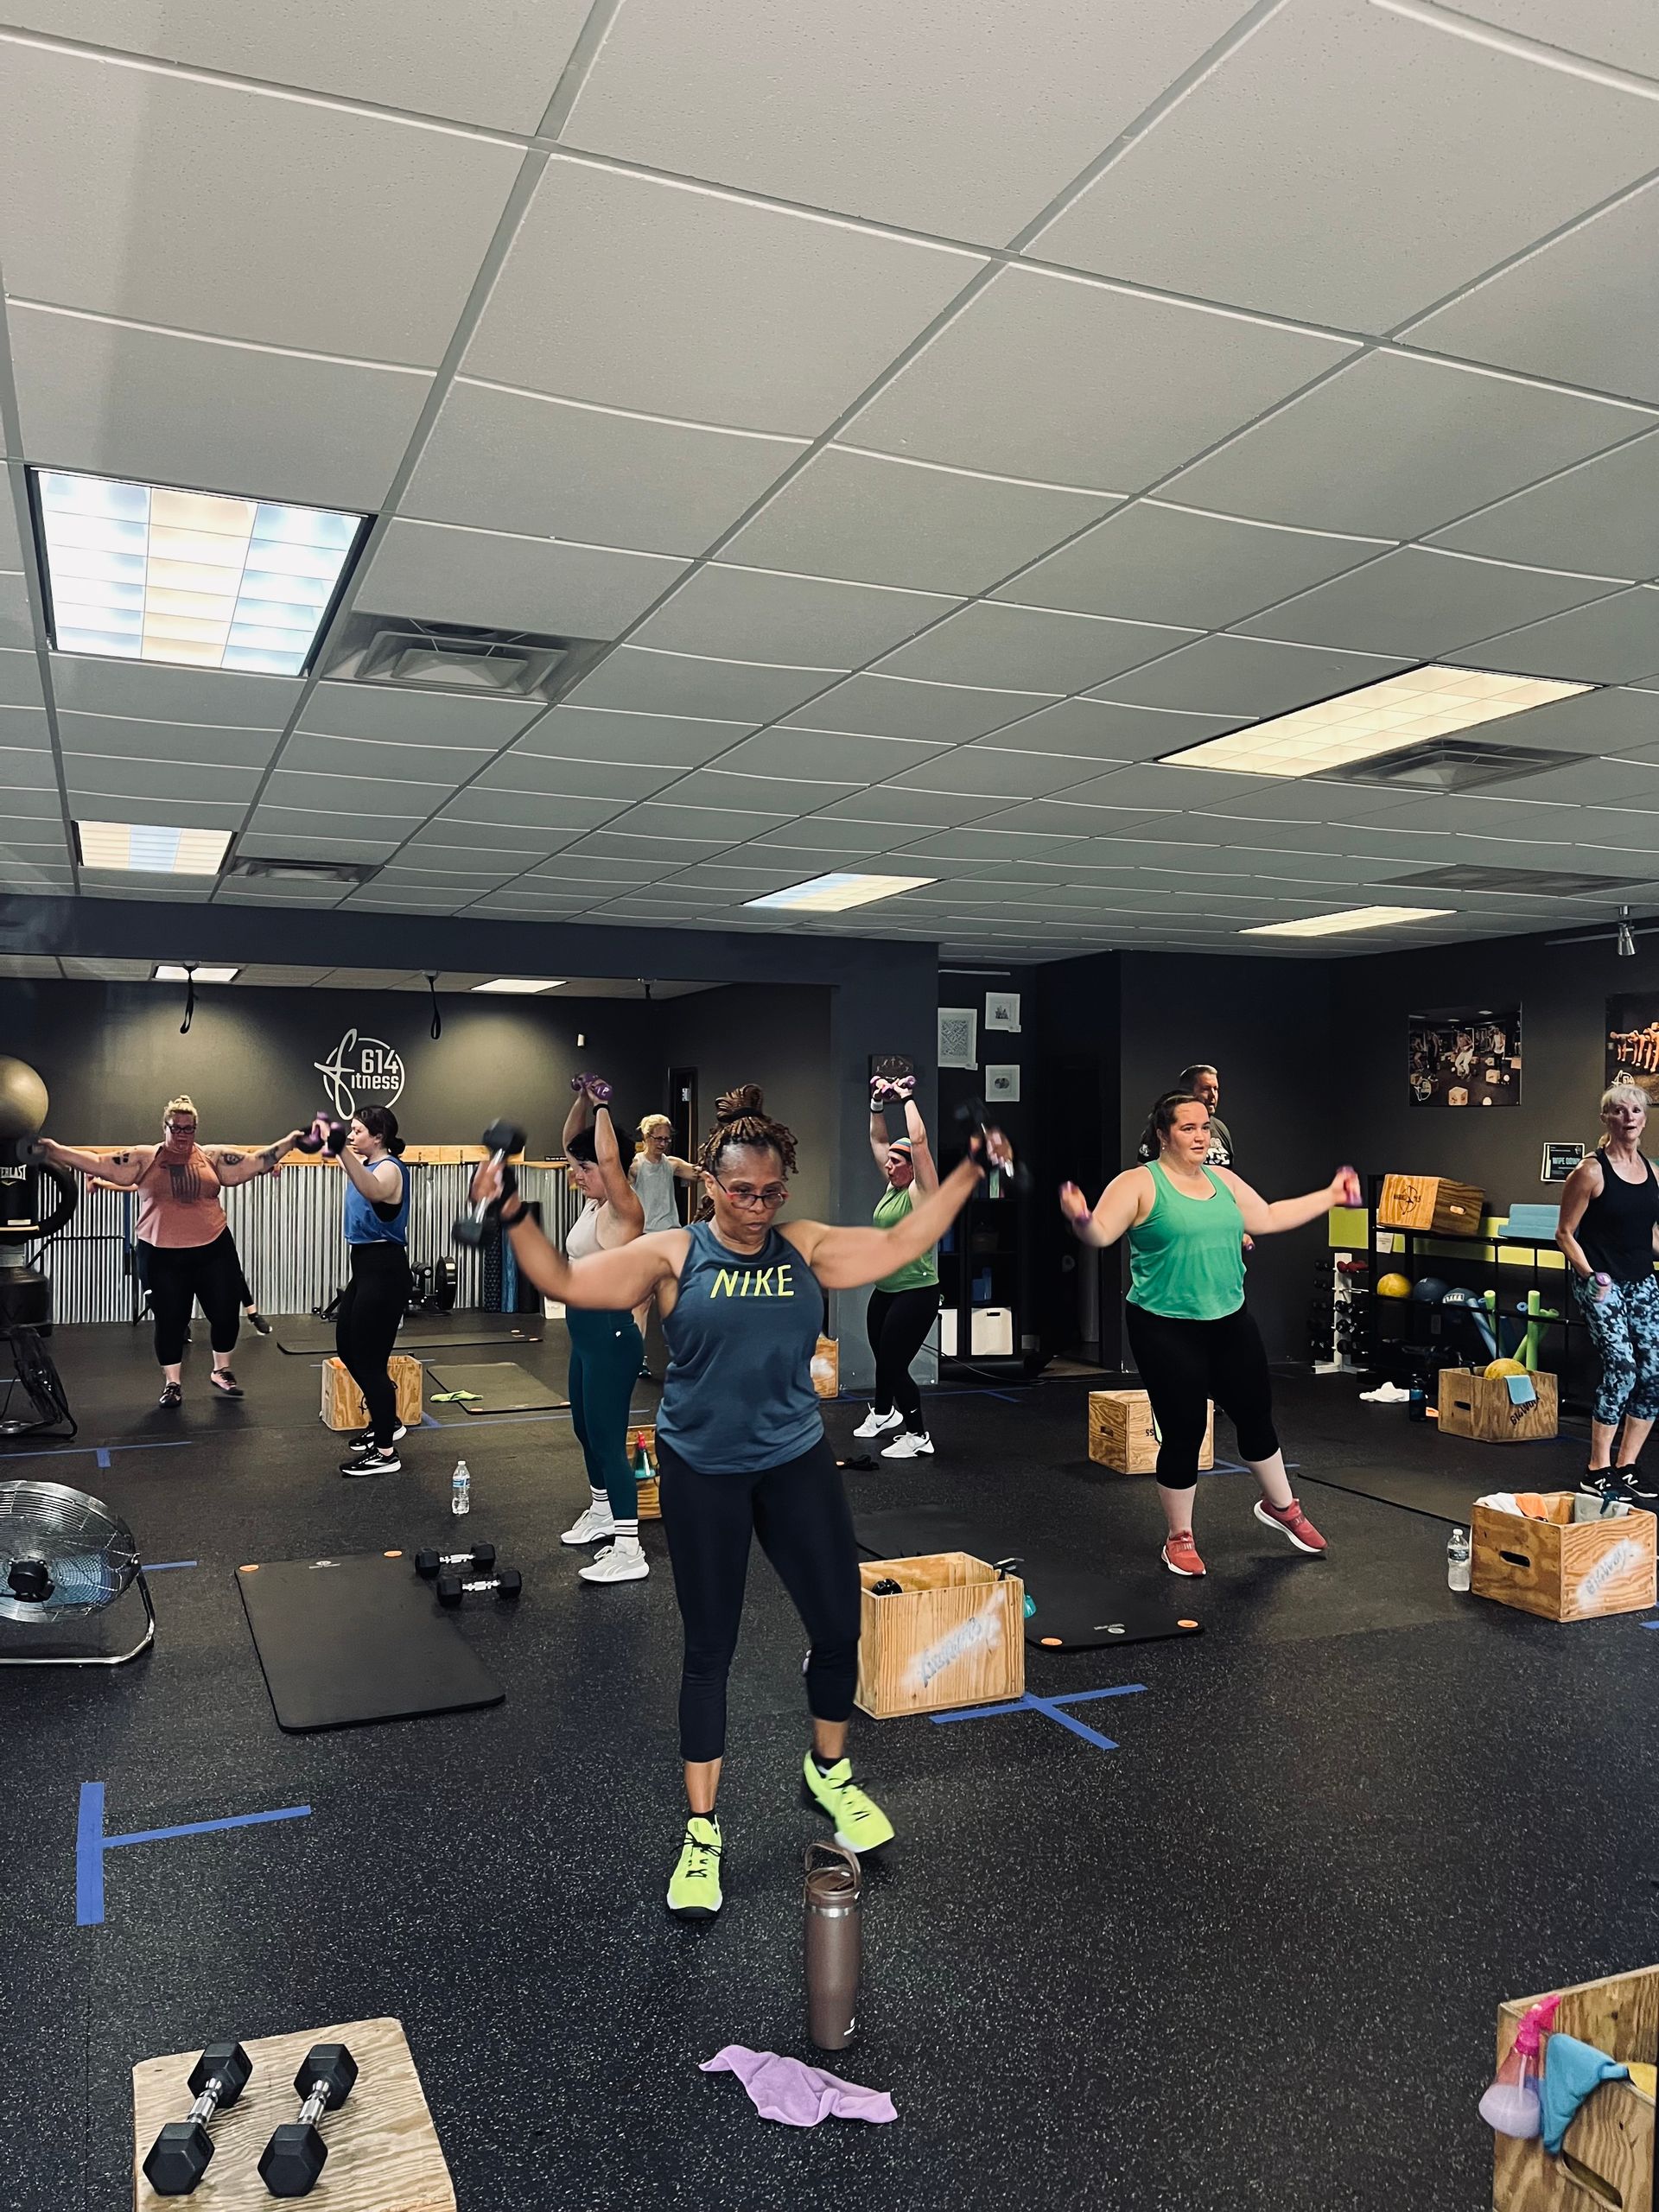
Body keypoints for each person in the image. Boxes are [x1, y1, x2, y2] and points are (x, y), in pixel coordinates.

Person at [467, 1083, 1007, 1918]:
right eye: (740, 1192)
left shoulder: (806, 1246)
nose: (756, 1208)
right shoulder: (672, 1256)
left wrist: (970, 1170)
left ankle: (829, 1773)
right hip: (703, 1471)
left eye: (770, 1192)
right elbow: (564, 1277)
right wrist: (508, 1209)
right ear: (710, 1186)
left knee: (838, 1627)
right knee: (708, 1653)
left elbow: (909, 1235)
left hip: (794, 1460)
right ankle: (702, 1831)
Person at [1062, 1092, 1359, 1577]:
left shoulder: (1222, 1180)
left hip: (1228, 1319)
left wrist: (1329, 1195)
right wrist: (1080, 1217)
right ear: (1163, 1135)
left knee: (1256, 1417)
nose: (1201, 1136)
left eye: (1205, 1127)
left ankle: (1281, 1507)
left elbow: (1267, 1217)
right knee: (1184, 1432)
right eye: (1188, 1128)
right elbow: (1100, 1234)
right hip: (1163, 1325)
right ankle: (1179, 1537)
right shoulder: (1139, 1184)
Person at [40, 1097, 306, 1406]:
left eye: (188, 1129)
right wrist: (54, 1150)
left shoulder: (211, 1156)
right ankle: (173, 1383)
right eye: (176, 1128)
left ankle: (222, 1371)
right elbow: (99, 1163)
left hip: (213, 1248)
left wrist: (292, 1141)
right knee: (170, 1321)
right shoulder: (145, 1157)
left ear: (195, 1129)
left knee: (225, 1315)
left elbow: (254, 1161)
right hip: (161, 1253)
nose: (182, 1134)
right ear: (165, 1127)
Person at [558, 1075, 649, 1582]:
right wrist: (579, 1102)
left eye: (584, 1168)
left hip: (612, 1338)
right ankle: (601, 1512)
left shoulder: (623, 1208)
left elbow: (609, 1161)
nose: (578, 1175)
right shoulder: (592, 1204)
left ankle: (630, 1548)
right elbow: (571, 1144)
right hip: (584, 1336)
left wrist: (602, 1106)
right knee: (584, 1430)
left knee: (610, 1441)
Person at [1555, 1083, 1659, 1507]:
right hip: (1603, 1285)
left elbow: (1651, 1236)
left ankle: (1626, 1466)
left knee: (1652, 1374)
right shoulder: (1591, 1171)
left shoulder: (1653, 1171)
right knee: (1623, 1369)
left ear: (1645, 1117)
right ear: (1607, 1119)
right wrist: (1593, 1277)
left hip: (1643, 1283)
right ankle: (1597, 1470)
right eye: (1619, 1111)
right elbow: (1564, 1234)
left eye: (1636, 1110)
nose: (1629, 1117)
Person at [853, 1073, 942, 1460]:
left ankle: (919, 1435)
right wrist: (876, 1103)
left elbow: (918, 1141)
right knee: (882, 1356)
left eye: (894, 1161)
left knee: (894, 1364)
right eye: (887, 1162)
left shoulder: (922, 1193)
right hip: (887, 1290)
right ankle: (885, 1413)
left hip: (916, 1292)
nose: (887, 1166)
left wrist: (906, 1098)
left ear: (911, 1167)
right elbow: (876, 1139)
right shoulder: (894, 1186)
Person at [332, 1105, 412, 1478]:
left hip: (384, 1270)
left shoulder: (390, 1168)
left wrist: (340, 1149)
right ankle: (387, 1421)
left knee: (368, 1360)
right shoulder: (367, 1164)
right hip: (364, 1268)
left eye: (358, 1131)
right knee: (348, 1347)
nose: (351, 1135)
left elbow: (371, 1188)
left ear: (377, 1137)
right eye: (349, 1131)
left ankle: (385, 1452)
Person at [629, 1112, 700, 1378]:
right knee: (642, 1302)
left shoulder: (672, 1164)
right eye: (658, 1139)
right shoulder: (635, 1166)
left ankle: (687, 1356)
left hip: (671, 1237)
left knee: (679, 1298)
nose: (662, 1144)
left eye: (667, 1140)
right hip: (646, 1239)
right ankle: (636, 1358)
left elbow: (700, 1174)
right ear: (646, 1137)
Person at [1137, 1063, 1234, 1168]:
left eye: (1215, 1089)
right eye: (1206, 1089)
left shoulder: (1221, 1128)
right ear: (1187, 1092)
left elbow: (1230, 1177)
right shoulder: (1164, 1125)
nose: (1213, 1095)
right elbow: (1144, 1172)